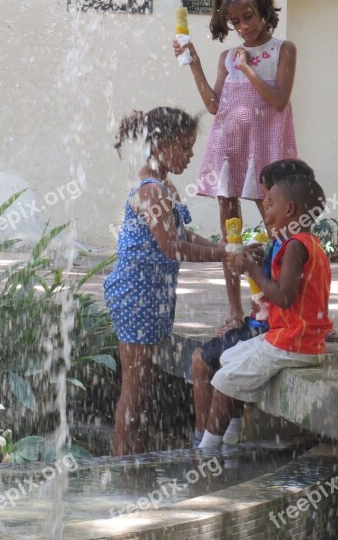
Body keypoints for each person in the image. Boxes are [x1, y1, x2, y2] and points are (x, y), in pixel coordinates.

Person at [174, 0, 297, 335]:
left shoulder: (282, 50)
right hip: (229, 150)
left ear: (263, 12)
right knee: (233, 234)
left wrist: (248, 69)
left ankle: (293, 305)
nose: (243, 27)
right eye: (235, 21)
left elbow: (279, 100)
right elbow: (214, 105)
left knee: (283, 232)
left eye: (249, 17)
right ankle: (234, 310)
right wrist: (194, 60)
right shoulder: (227, 57)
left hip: (266, 154)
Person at [104, 107, 228, 456]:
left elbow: (184, 234)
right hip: (136, 296)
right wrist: (224, 256)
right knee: (133, 388)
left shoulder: (164, 186)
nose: (190, 155)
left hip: (153, 296)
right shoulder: (151, 191)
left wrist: (224, 248)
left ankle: (136, 461)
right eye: (185, 147)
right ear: (160, 144)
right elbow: (172, 248)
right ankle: (119, 467)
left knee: (143, 385)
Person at [197, 174, 333, 449]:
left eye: (271, 205)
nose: (267, 213)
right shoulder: (308, 245)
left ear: (290, 210)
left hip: (293, 344)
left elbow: (283, 297)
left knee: (223, 379)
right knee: (228, 358)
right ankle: (231, 443)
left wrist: (253, 271)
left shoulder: (296, 246)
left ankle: (206, 453)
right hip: (295, 340)